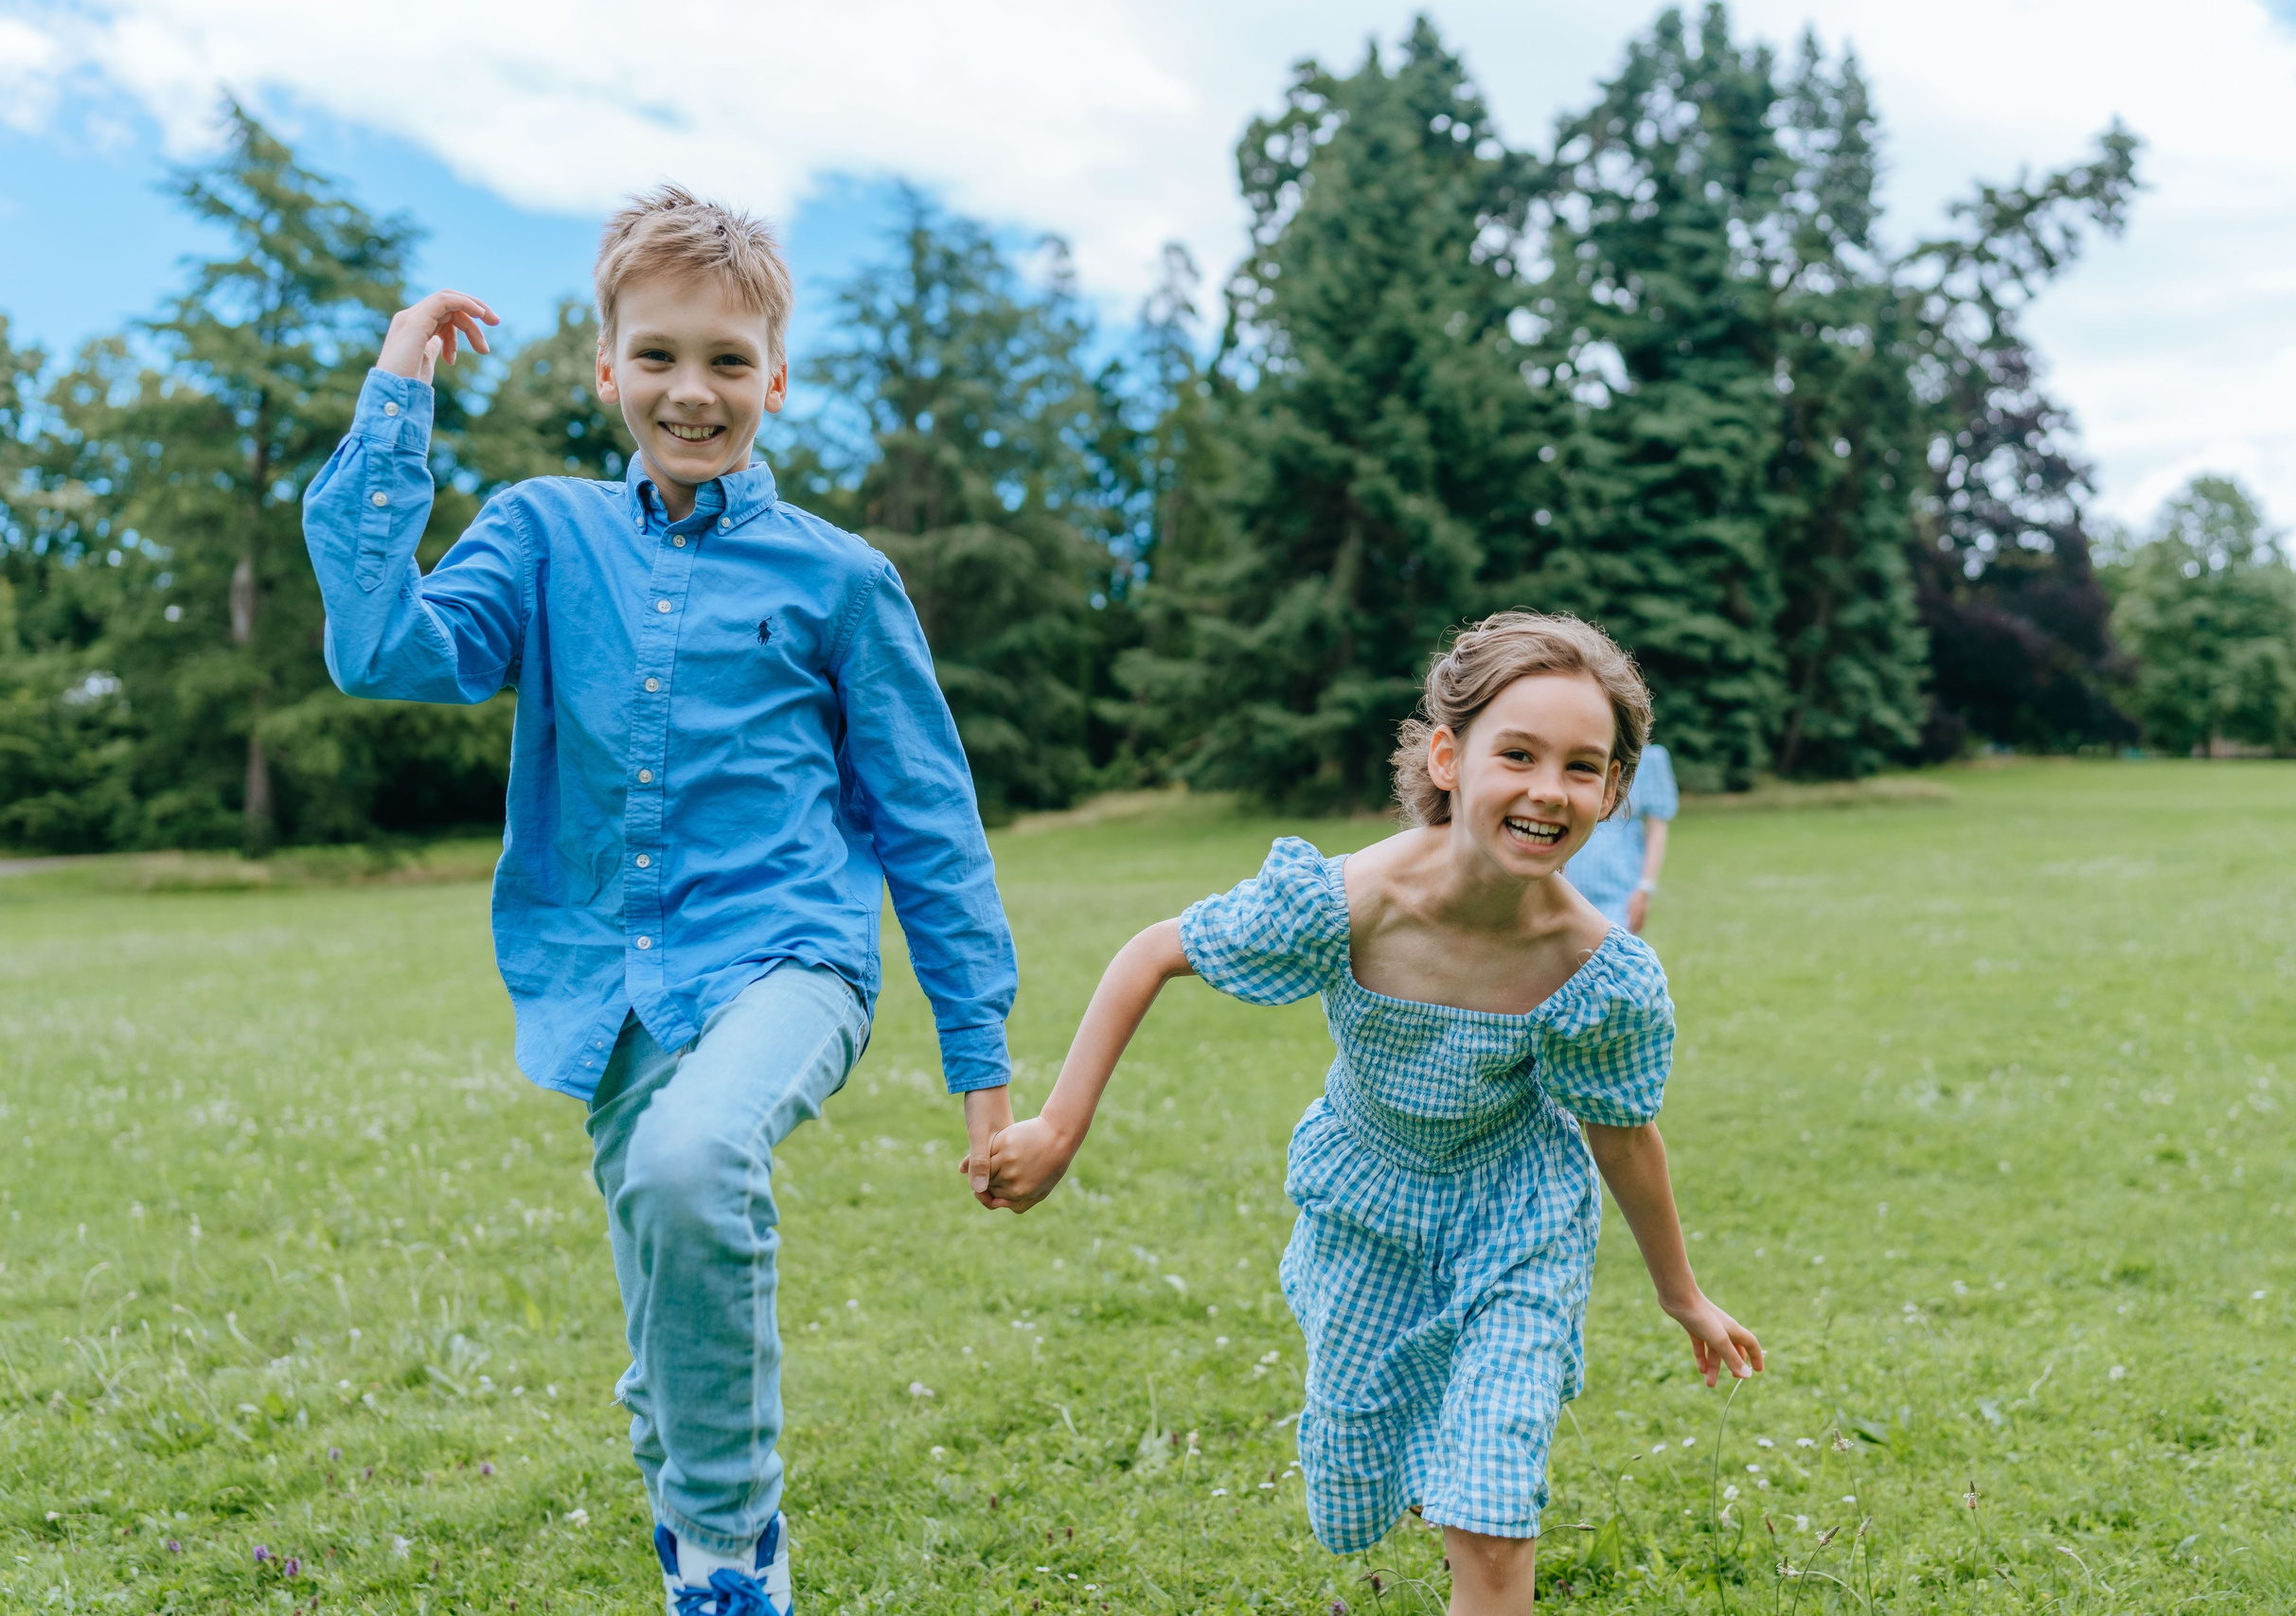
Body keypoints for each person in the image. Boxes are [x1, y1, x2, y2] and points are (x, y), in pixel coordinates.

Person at [301, 187, 1017, 1616]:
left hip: (793, 958)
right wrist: (395, 400)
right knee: (665, 1272)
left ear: (776, 378)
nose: (694, 391)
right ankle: (692, 1492)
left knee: (695, 1165)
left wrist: (980, 1063)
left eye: (730, 361)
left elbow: (929, 825)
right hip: (610, 981)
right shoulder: (546, 533)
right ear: (606, 365)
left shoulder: (840, 578)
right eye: (661, 356)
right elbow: (385, 651)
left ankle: (730, 1557)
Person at [971, 613, 1760, 1616]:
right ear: (1446, 755)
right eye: (1516, 754)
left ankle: (1477, 1525)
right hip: (1366, 1206)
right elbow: (1153, 953)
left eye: (1580, 767)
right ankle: (1396, 1455)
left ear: (1612, 792)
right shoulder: (1349, 902)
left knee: (1490, 1488)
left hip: (1516, 1217)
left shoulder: (1593, 969)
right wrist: (1058, 1127)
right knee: (1350, 1472)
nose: (1546, 790)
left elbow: (1621, 1133)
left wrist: (1680, 1293)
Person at [1558, 737, 1676, 933]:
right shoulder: (1574, 753)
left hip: (1621, 885)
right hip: (1570, 878)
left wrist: (1645, 886)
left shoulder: (1650, 760)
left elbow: (1657, 828)